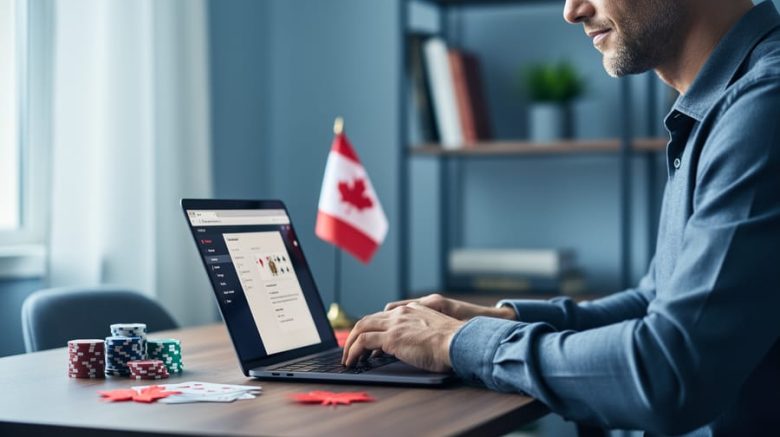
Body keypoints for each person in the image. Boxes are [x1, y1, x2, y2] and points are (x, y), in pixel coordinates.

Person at [342, 0, 780, 434]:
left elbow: (671, 373)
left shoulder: (763, 106)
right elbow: (655, 300)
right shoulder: (719, 108)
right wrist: (497, 319)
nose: (572, 10)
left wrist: (453, 342)